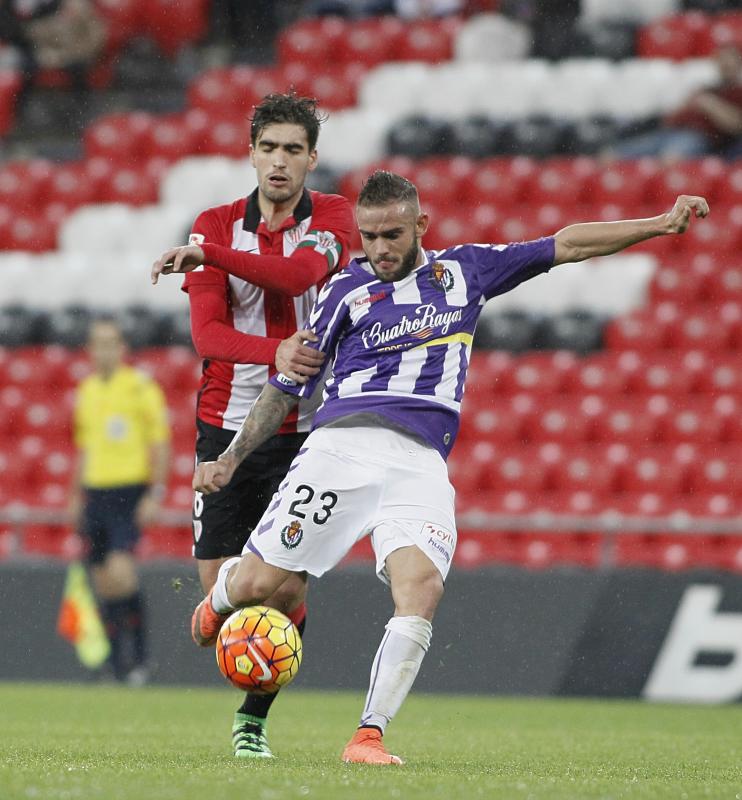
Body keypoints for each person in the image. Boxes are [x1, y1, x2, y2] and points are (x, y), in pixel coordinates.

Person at [187, 170, 709, 764]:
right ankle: (219, 598)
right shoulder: (345, 291)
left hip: (421, 463)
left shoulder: (466, 271)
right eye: (369, 237)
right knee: (260, 585)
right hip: (343, 448)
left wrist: (659, 224)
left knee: (421, 589)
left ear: (421, 226)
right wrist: (230, 459)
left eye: (392, 234)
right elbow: (286, 386)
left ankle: (368, 736)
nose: (380, 249)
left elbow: (565, 245)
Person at [150, 92, 354, 758]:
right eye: (268, 147)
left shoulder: (334, 217)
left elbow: (299, 274)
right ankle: (217, 609)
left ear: (312, 158)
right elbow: (207, 335)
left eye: (294, 149)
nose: (279, 162)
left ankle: (252, 722)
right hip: (224, 431)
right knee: (226, 606)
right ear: (251, 153)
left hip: (304, 436)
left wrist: (209, 257)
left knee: (285, 588)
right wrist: (274, 350)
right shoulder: (212, 221)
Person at [69, 316, 170, 686]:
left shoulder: (140, 387)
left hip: (128, 490)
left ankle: (139, 659)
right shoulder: (87, 390)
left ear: (122, 348)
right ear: (90, 350)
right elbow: (83, 446)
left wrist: (154, 493)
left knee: (121, 573)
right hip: (95, 492)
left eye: (111, 342)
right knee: (103, 580)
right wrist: (74, 495)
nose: (105, 350)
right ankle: (115, 665)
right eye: (98, 343)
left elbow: (159, 443)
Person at [608, 45, 742, 160]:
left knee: (670, 159)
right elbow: (672, 117)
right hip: (669, 132)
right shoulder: (706, 88)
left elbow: (736, 125)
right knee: (612, 156)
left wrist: (710, 105)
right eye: (721, 59)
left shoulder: (738, 92)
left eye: (729, 60)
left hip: (699, 137)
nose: (725, 64)